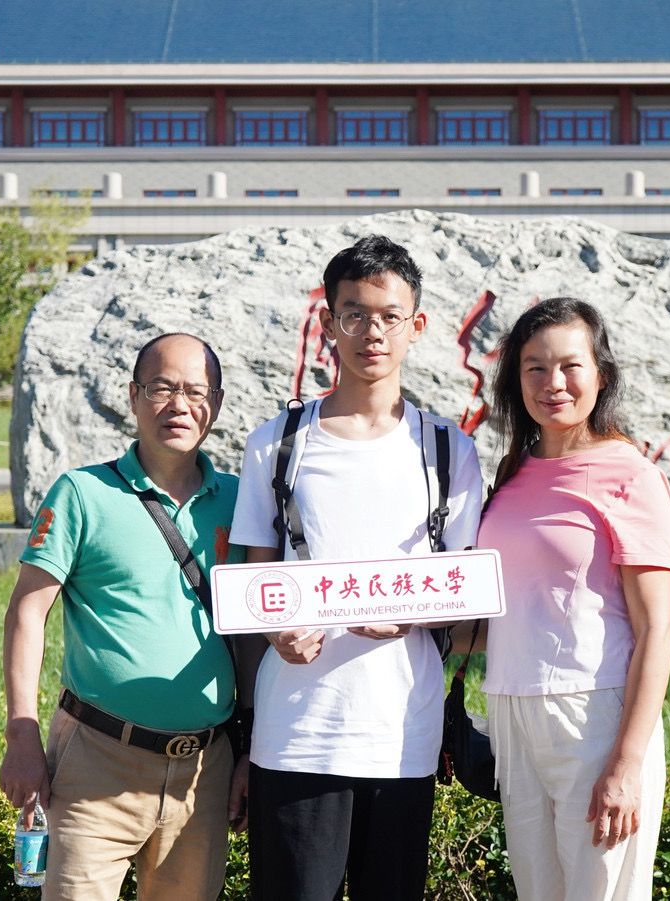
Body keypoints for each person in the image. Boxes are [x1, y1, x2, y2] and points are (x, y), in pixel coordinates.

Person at [228, 235, 483, 899]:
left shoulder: (449, 451)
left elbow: (465, 595)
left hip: (402, 735)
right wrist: (275, 632)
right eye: (355, 314)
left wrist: (413, 613)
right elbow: (255, 588)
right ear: (328, 322)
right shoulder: (277, 443)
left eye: (390, 316)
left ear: (416, 326)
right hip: (294, 734)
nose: (373, 332)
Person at [0, 333, 244, 901]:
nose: (179, 405)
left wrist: (251, 748)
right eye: (161, 388)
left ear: (216, 404)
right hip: (97, 763)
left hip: (204, 772)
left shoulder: (241, 500)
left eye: (195, 392)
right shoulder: (82, 494)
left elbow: (255, 634)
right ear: (133, 397)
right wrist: (21, 734)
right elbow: (27, 612)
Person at [475, 298, 670, 901]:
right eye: (534, 368)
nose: (553, 383)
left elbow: (658, 629)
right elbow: (509, 611)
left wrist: (627, 763)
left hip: (593, 713)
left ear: (601, 374)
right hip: (510, 710)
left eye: (570, 366)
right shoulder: (512, 473)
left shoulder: (629, 475)